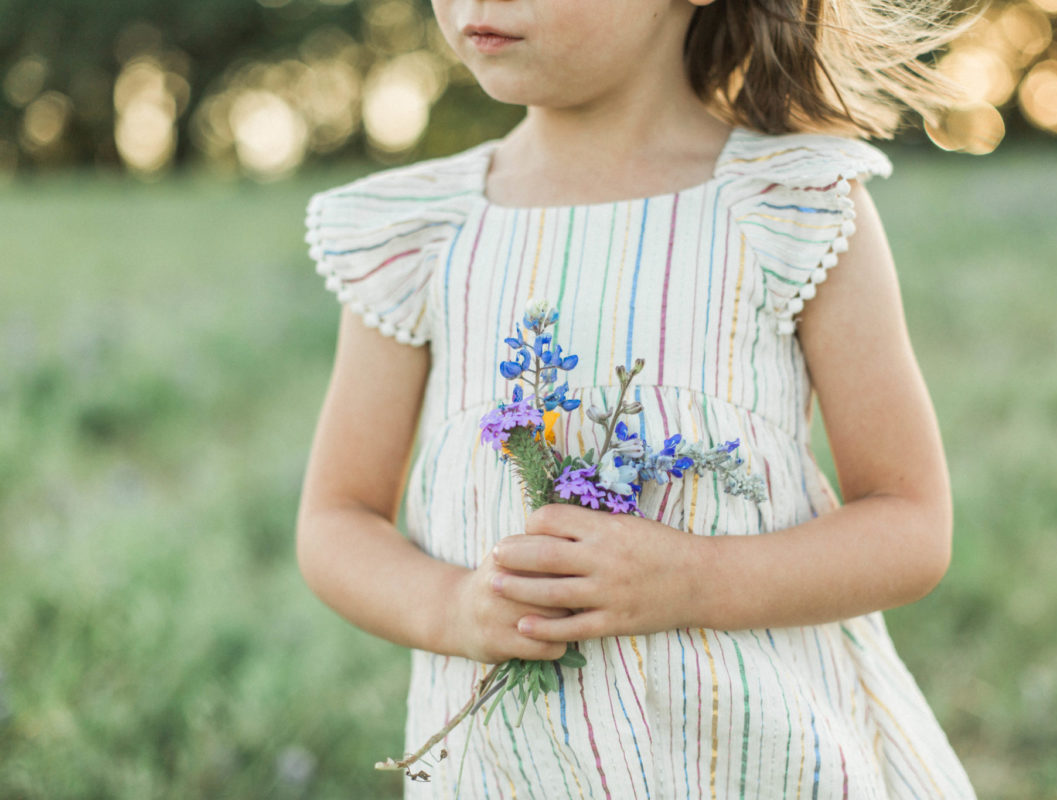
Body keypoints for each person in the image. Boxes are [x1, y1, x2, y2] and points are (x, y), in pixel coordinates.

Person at [296, 0, 980, 796]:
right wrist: (451, 609)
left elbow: (910, 523)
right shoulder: (417, 235)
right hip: (516, 775)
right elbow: (335, 520)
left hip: (764, 765)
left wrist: (696, 579)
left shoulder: (791, 205)